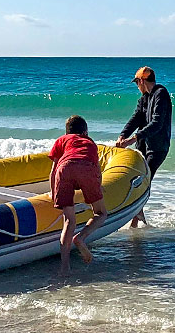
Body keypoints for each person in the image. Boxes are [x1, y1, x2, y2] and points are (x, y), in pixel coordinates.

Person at [48, 115, 108, 276]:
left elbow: (54, 170)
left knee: (68, 220)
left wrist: (54, 193)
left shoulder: (62, 140)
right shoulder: (90, 143)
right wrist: (98, 188)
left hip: (64, 168)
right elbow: (97, 169)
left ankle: (65, 267)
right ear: (86, 131)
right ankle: (81, 238)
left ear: (67, 132)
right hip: (86, 167)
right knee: (101, 213)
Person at [115, 66, 172, 228]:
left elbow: (157, 123)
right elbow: (136, 117)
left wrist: (133, 139)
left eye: (137, 83)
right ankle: (138, 223)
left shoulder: (161, 94)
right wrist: (123, 135)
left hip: (157, 148)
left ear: (142, 81)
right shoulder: (144, 98)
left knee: (143, 183)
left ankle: (137, 224)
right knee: (137, 183)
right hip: (143, 147)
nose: (137, 86)